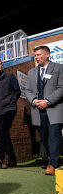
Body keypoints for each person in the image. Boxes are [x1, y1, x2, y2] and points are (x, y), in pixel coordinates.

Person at [25, 45, 63, 176]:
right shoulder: (31, 72)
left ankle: (52, 164)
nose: (36, 57)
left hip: (53, 109)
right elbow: (27, 90)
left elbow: (61, 88)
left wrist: (47, 101)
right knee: (45, 138)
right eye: (35, 55)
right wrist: (34, 100)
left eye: (39, 55)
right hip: (38, 110)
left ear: (47, 54)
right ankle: (55, 159)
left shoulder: (58, 68)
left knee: (54, 136)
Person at [0, 58, 21, 168]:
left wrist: (10, 102)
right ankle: (12, 160)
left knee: (3, 130)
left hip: (9, 109)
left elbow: (18, 92)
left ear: (2, 66)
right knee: (4, 133)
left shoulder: (10, 77)